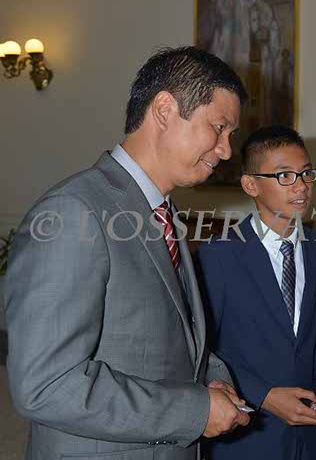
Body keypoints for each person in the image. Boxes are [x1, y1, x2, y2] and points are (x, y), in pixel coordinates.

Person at [4, 46, 251, 460]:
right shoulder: (73, 212)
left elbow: (165, 336)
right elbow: (45, 385)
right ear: (165, 110)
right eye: (219, 128)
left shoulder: (163, 212)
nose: (226, 150)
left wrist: (212, 378)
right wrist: (193, 411)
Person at [196, 125, 316, 460]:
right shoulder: (219, 254)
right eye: (284, 175)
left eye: (306, 173)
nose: (301, 185)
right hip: (245, 433)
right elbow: (204, 347)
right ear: (251, 184)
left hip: (306, 436)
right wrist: (263, 395)